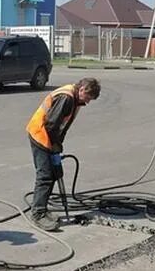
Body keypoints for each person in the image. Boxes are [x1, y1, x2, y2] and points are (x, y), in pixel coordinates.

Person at [26, 77, 101, 231]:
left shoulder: (75, 98)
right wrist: (53, 145)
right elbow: (52, 124)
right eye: (88, 97)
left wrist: (58, 144)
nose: (87, 102)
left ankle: (43, 208)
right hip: (40, 134)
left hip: (49, 137)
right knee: (45, 175)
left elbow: (62, 125)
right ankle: (38, 213)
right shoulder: (66, 98)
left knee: (54, 173)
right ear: (82, 90)